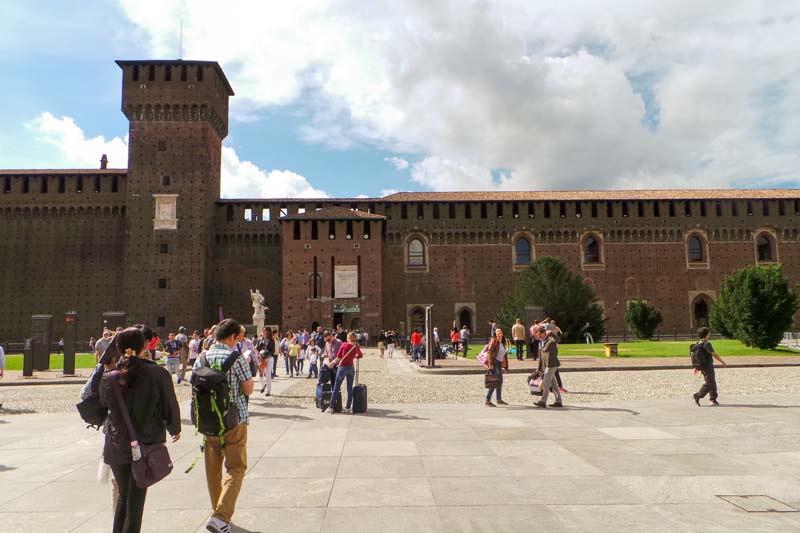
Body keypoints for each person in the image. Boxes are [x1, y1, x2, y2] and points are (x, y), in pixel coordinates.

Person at [99, 327, 181, 533]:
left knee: (124, 496)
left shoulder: (109, 377)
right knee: (135, 501)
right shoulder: (157, 373)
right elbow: (168, 404)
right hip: (144, 443)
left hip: (117, 444)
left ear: (117, 347)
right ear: (145, 345)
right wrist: (174, 427)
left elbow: (101, 405)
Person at [196, 319, 254, 533]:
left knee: (213, 471)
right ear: (231, 337)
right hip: (233, 420)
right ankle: (220, 517)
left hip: (208, 422)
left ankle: (218, 513)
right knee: (236, 467)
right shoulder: (236, 358)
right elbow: (248, 390)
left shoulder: (202, 357)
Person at [326, 332, 363, 414]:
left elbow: (339, 357)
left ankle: (331, 407)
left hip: (342, 368)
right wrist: (355, 356)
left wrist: (332, 363)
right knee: (349, 388)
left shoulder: (344, 345)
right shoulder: (355, 346)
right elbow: (360, 355)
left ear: (349, 338)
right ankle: (347, 408)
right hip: (351, 368)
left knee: (336, 388)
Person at [692, 327, 727, 406]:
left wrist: (696, 367)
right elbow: (714, 354)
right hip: (707, 365)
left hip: (702, 366)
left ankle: (713, 399)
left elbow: (695, 356)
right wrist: (722, 362)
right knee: (710, 383)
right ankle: (698, 395)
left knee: (712, 381)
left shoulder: (698, 343)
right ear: (707, 335)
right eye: (709, 333)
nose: (710, 334)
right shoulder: (707, 344)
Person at [534, 326, 563, 408]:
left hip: (552, 364)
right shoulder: (540, 342)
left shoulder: (551, 340)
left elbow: (558, 340)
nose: (539, 336)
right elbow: (541, 357)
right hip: (546, 365)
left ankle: (543, 401)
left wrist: (552, 333)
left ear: (544, 333)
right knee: (554, 384)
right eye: (537, 334)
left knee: (546, 382)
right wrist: (539, 368)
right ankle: (559, 401)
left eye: (540, 334)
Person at [484, 328, 509, 407]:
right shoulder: (494, 341)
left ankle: (499, 399)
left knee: (500, 381)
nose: (499, 332)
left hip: (499, 363)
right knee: (494, 381)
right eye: (497, 331)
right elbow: (490, 352)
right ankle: (487, 400)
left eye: (501, 331)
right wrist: (490, 364)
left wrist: (505, 367)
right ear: (495, 333)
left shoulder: (502, 342)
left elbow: (504, 356)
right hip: (494, 363)